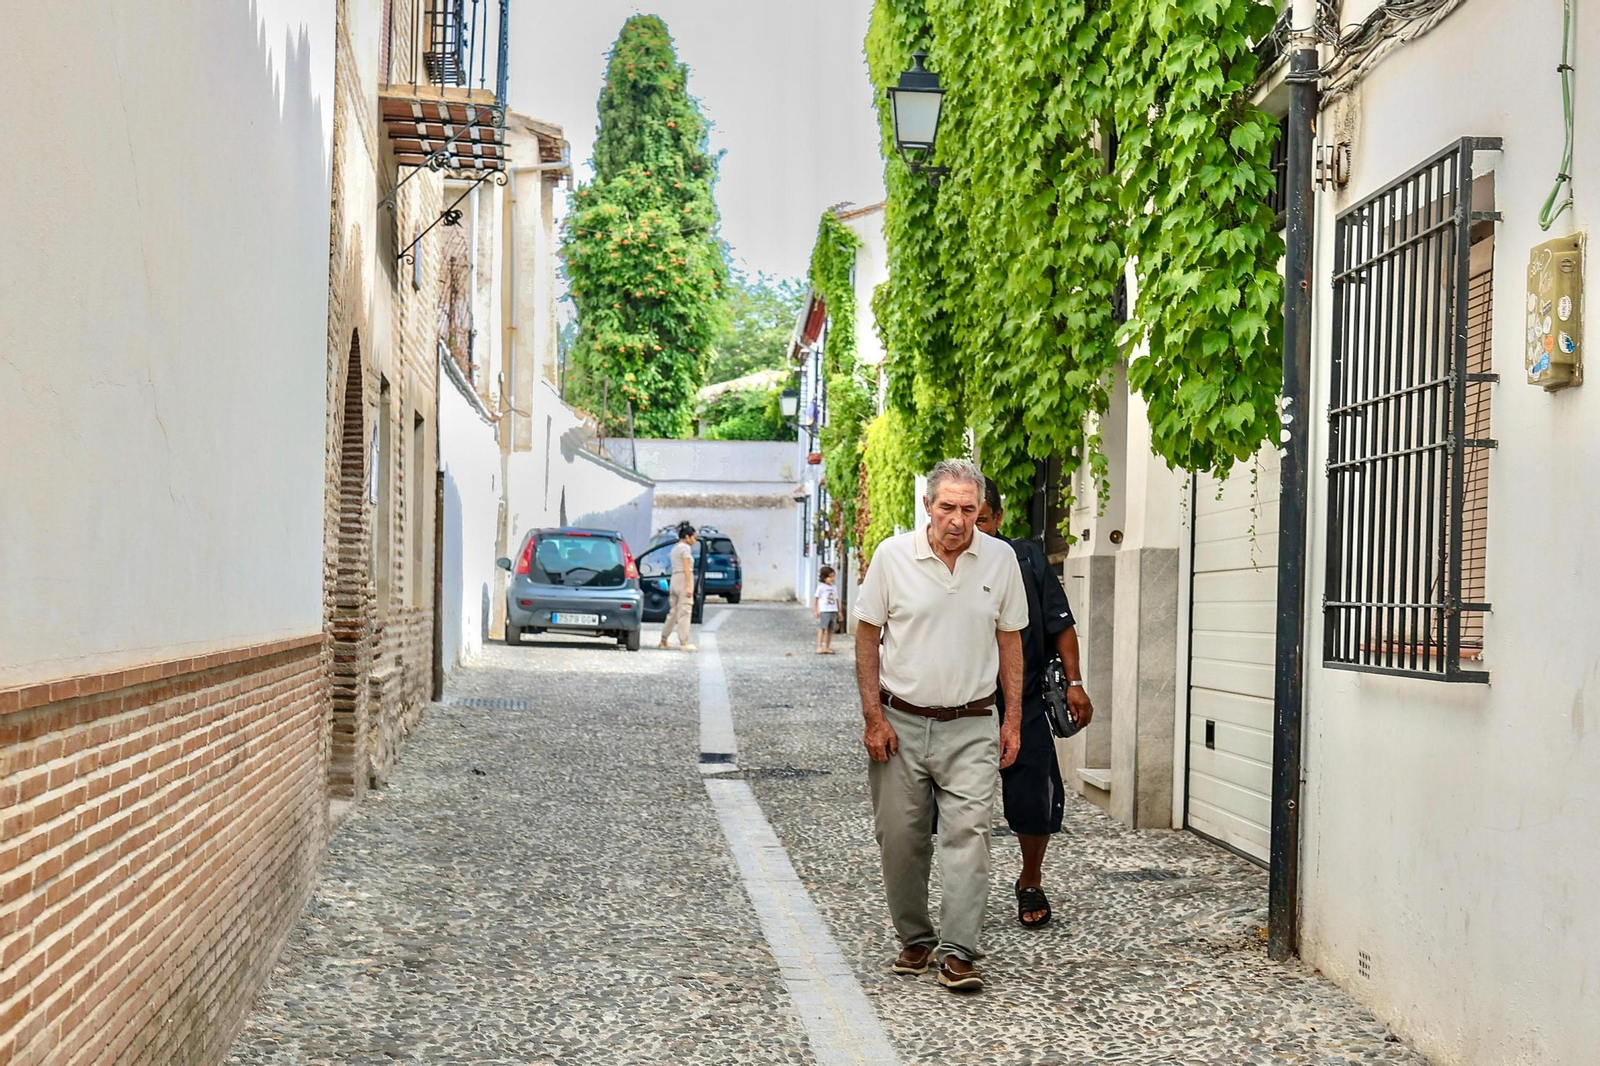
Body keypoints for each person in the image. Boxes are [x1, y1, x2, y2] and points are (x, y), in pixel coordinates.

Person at [852, 459, 1029, 993]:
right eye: (947, 507)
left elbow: (1011, 641)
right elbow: (866, 638)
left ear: (982, 511)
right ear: (928, 507)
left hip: (973, 722)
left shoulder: (1000, 560)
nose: (957, 519)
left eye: (969, 509)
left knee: (969, 836)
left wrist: (1013, 719)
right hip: (900, 724)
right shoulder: (891, 557)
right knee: (900, 838)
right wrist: (873, 718)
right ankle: (915, 937)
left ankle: (959, 951)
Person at [974, 475, 1093, 929]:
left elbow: (1060, 622)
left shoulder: (1025, 559)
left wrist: (1076, 682)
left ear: (998, 518)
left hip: (1026, 700)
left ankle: (1030, 878)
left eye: (982, 519)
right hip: (966, 705)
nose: (973, 529)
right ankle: (964, 889)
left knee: (1033, 798)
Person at [659, 521, 698, 652]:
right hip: (683, 579)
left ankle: (663, 639)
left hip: (674, 579)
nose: (695, 540)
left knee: (673, 612)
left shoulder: (675, 548)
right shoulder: (685, 548)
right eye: (694, 537)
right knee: (685, 611)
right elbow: (687, 568)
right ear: (687, 537)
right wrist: (689, 586)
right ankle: (684, 642)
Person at [813, 565, 839, 654]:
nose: (832, 579)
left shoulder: (834, 587)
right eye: (830, 577)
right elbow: (816, 598)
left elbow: (836, 599)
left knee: (830, 629)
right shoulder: (821, 587)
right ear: (824, 577)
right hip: (825, 610)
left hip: (833, 609)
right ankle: (819, 646)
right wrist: (815, 610)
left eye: (833, 576)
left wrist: (839, 612)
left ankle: (827, 646)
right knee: (822, 628)